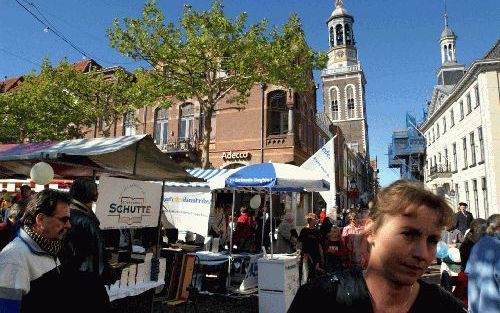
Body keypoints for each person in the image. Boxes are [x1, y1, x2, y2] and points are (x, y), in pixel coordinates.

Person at [289, 180, 465, 313]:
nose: (423, 253)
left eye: (432, 240)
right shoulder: (319, 300)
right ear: (371, 232)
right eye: (409, 234)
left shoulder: (444, 307)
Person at [0, 189, 72, 313]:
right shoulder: (14, 258)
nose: (68, 225)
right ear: (41, 220)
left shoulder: (51, 246)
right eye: (63, 220)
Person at [60, 177, 112, 313]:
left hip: (67, 282)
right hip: (87, 286)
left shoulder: (65, 215)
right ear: (95, 196)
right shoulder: (87, 221)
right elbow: (97, 260)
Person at [465, 214, 500, 313]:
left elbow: (469, 273)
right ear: (497, 228)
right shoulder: (497, 246)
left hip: (477, 306)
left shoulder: (477, 246)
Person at [297, 213, 323, 284]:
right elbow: (299, 242)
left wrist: (320, 257)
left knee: (314, 272)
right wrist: (299, 252)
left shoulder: (317, 231)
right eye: (315, 219)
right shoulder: (304, 230)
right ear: (310, 220)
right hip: (306, 254)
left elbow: (319, 244)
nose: (317, 221)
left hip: (315, 254)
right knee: (306, 273)